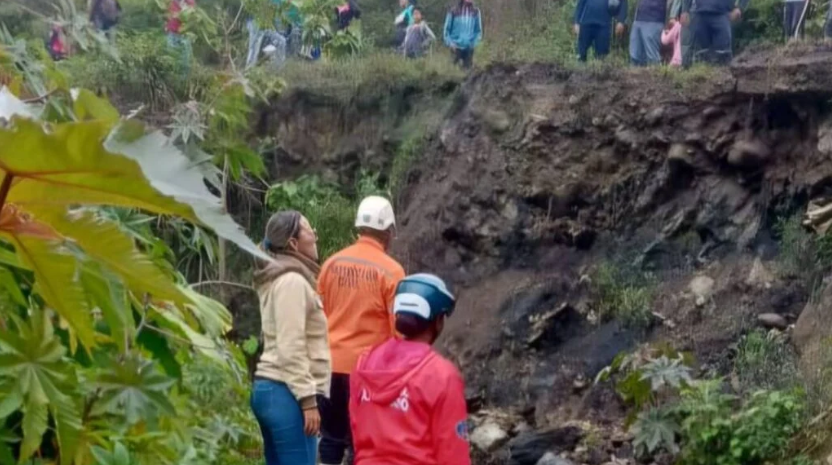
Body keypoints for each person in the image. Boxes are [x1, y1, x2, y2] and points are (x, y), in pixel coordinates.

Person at [317, 196, 406, 465]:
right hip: (369, 372)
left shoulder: (331, 264)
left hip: (330, 367)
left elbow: (318, 317)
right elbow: (399, 329)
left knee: (331, 438)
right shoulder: (391, 271)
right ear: (388, 232)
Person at [349, 274, 471, 465]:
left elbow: (357, 430)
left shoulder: (364, 363)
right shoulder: (442, 375)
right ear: (438, 320)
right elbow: (453, 451)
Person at [250, 210, 331, 465]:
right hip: (285, 392)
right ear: (293, 243)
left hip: (275, 389)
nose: (315, 235)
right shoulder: (292, 281)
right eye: (309, 230)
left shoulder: (282, 276)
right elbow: (291, 346)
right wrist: (308, 401)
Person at [680, 0, 748, 66]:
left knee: (723, 55)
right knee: (702, 55)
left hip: (723, 14)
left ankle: (724, 76)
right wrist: (685, 10)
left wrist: (740, 7)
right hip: (700, 15)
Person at [443, 0, 483, 69]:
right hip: (455, 47)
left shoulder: (475, 12)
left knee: (468, 73)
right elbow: (446, 31)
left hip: (469, 47)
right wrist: (451, 43)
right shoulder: (453, 11)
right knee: (453, 71)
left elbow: (478, 31)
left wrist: (474, 43)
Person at [629, 0, 668, 66]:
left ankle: (656, 75)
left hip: (654, 20)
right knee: (634, 56)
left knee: (652, 57)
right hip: (638, 19)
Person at [165, 0, 195, 66]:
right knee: (171, 56)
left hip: (184, 33)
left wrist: (179, 14)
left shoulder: (189, 2)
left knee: (185, 58)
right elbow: (168, 14)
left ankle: (184, 75)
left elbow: (191, 13)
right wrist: (167, 25)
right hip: (171, 32)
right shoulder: (171, 2)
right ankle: (173, 73)